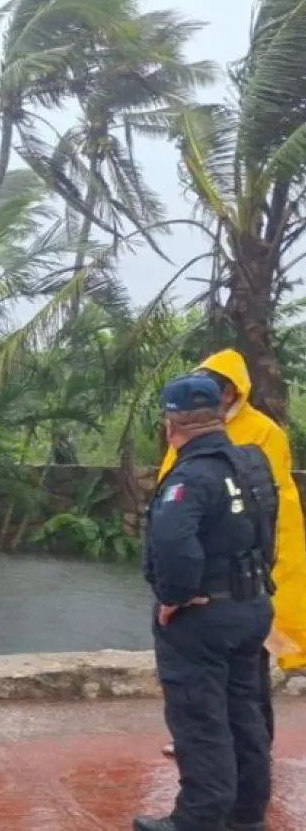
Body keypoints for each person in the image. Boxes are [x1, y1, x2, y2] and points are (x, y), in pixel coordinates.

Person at [134, 374, 277, 831]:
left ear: (171, 422)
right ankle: (246, 814)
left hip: (204, 616)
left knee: (200, 718)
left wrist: (175, 596)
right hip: (252, 606)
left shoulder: (191, 475)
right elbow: (270, 527)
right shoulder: (252, 462)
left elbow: (174, 542)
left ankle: (197, 819)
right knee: (245, 712)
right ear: (220, 414)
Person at [157, 349, 306, 760]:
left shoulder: (262, 434)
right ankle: (217, 751)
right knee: (209, 682)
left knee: (248, 679)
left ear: (232, 392)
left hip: (239, 575)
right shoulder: (192, 435)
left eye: (219, 391)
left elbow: (273, 510)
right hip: (203, 570)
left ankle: (249, 751)